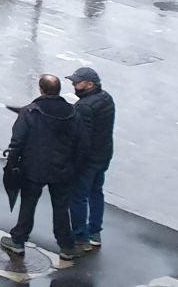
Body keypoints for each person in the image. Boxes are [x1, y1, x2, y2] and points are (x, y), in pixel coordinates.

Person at [1, 75, 85, 260]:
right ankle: (66, 246)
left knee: (28, 204)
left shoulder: (30, 112)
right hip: (63, 170)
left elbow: (17, 141)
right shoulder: (72, 113)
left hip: (34, 168)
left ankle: (18, 240)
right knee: (61, 208)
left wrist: (12, 164)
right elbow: (80, 142)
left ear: (41, 90)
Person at [67, 66, 116, 252]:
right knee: (96, 192)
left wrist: (73, 162)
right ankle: (95, 231)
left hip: (87, 160)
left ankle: (80, 237)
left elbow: (81, 138)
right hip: (104, 154)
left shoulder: (84, 106)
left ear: (89, 84)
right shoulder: (106, 98)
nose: (74, 85)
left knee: (78, 197)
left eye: (77, 82)